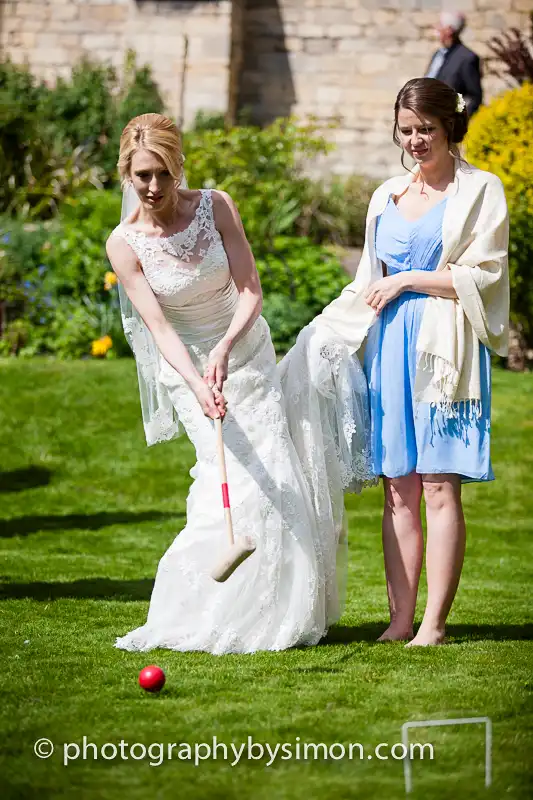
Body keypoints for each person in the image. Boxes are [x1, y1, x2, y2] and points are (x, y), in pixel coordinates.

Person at [106, 113, 374, 655]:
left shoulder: (217, 207)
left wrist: (225, 351)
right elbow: (159, 328)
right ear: (126, 176)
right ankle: (207, 611)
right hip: (187, 371)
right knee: (223, 478)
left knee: (275, 471)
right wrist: (198, 383)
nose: (154, 187)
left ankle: (284, 615)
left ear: (177, 166)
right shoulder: (125, 244)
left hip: (244, 349)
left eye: (162, 173)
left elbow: (249, 291)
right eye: (142, 177)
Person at [314, 77, 509, 646]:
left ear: (450, 126)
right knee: (397, 486)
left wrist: (407, 280)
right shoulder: (385, 196)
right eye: (407, 130)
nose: (417, 140)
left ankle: (434, 623)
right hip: (389, 347)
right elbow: (366, 283)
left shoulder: (481, 190)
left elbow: (485, 274)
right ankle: (399, 620)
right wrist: (323, 337)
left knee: (438, 485)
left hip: (444, 350)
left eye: (427, 128)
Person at [426, 11, 483, 115]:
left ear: (449, 30)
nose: (436, 27)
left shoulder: (467, 58)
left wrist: (457, 122)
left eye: (440, 24)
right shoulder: (438, 54)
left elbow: (474, 97)